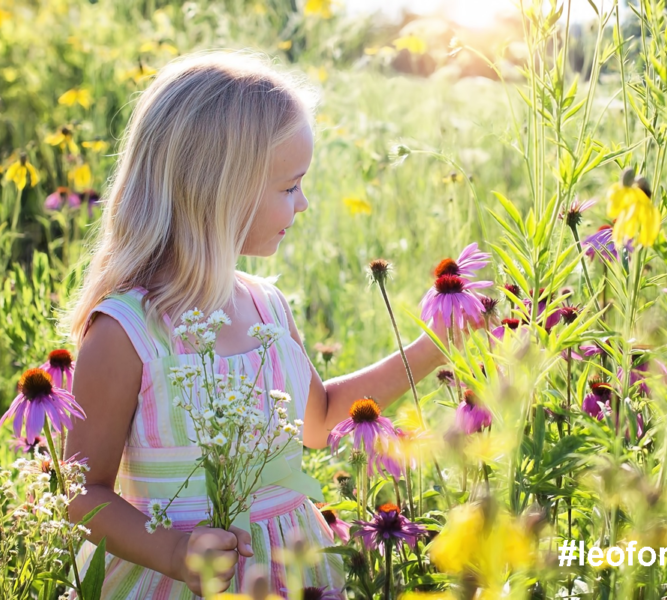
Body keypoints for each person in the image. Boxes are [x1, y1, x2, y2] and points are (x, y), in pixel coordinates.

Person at [62, 50, 452, 599]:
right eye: (290, 186)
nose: (305, 202)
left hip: (294, 573)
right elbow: (82, 494)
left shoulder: (268, 306)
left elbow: (317, 421)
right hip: (173, 581)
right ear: (220, 192)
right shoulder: (127, 332)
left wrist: (432, 347)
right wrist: (175, 552)